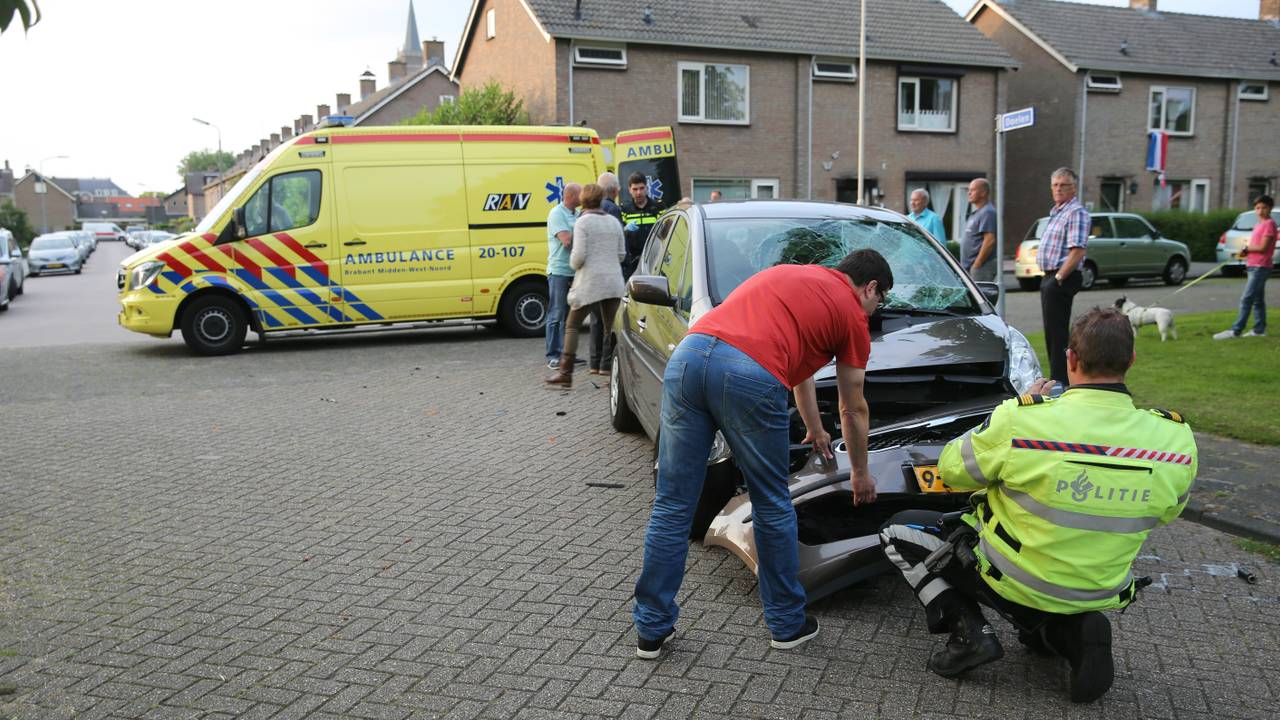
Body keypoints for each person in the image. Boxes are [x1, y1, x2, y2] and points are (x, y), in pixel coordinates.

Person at [880, 308, 1196, 703]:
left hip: (1017, 579)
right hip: (1099, 587)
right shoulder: (1176, 440)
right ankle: (1065, 633)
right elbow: (1170, 511)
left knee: (899, 529)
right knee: (1049, 580)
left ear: (1071, 359)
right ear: (1130, 362)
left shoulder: (1024, 421)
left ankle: (970, 633)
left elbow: (952, 471)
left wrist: (1018, 408)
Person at [633, 249, 892, 659]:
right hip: (748, 373)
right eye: (881, 300)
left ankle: (650, 629)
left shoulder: (792, 276)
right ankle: (788, 625)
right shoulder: (852, 314)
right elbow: (853, 406)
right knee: (772, 502)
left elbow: (800, 367)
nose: (877, 310)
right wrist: (860, 472)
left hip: (689, 356)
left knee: (672, 505)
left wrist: (814, 427)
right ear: (870, 287)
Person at [545, 184, 626, 386]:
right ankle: (612, 373)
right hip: (613, 282)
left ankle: (565, 373)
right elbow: (621, 254)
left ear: (583, 200)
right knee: (612, 329)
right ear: (601, 198)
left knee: (572, 325)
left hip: (590, 283)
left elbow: (578, 257)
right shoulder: (614, 222)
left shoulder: (582, 222)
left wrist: (575, 264)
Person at [1037, 168, 1089, 385]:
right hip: (1050, 277)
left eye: (1063, 185)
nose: (1058, 189)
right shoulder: (1057, 212)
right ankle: (1060, 376)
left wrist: (1058, 278)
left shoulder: (1075, 212)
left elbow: (1077, 250)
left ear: (1073, 188)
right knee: (1052, 331)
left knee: (1057, 332)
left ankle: (1061, 380)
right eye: (1055, 185)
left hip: (1061, 278)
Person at [1214, 194, 1275, 339]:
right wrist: (1245, 252)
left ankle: (1236, 331)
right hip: (1253, 265)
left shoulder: (1269, 224)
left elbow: (1263, 247)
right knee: (1257, 300)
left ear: (1270, 208)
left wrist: (1247, 249)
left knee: (1246, 298)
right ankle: (1259, 330)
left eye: (1264, 207)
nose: (1260, 211)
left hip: (1261, 266)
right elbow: (1255, 247)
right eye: (1257, 208)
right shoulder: (1258, 225)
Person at [589, 172, 625, 376]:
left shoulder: (587, 211)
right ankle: (605, 365)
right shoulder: (612, 209)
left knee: (595, 320)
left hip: (592, 274)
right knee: (609, 322)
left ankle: (594, 364)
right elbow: (619, 246)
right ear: (615, 190)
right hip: (609, 273)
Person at [544, 183, 581, 370]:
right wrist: (583, 236)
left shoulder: (577, 214)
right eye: (580, 194)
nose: (582, 197)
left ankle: (568, 354)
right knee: (556, 314)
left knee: (570, 316)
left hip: (574, 272)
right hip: (559, 271)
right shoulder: (556, 214)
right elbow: (566, 241)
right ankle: (553, 355)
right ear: (571, 195)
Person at [619, 172, 663, 278]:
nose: (638, 192)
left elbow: (665, 232)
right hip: (632, 261)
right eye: (635, 189)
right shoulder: (625, 209)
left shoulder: (658, 207)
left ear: (646, 188)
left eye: (641, 188)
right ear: (629, 190)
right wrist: (625, 229)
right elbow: (619, 235)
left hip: (654, 259)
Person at [960, 179, 996, 281]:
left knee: (980, 295)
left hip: (980, 268)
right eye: (969, 190)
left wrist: (977, 264)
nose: (969, 193)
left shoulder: (987, 212)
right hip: (971, 268)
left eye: (973, 190)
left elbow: (989, 240)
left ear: (983, 193)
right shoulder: (978, 213)